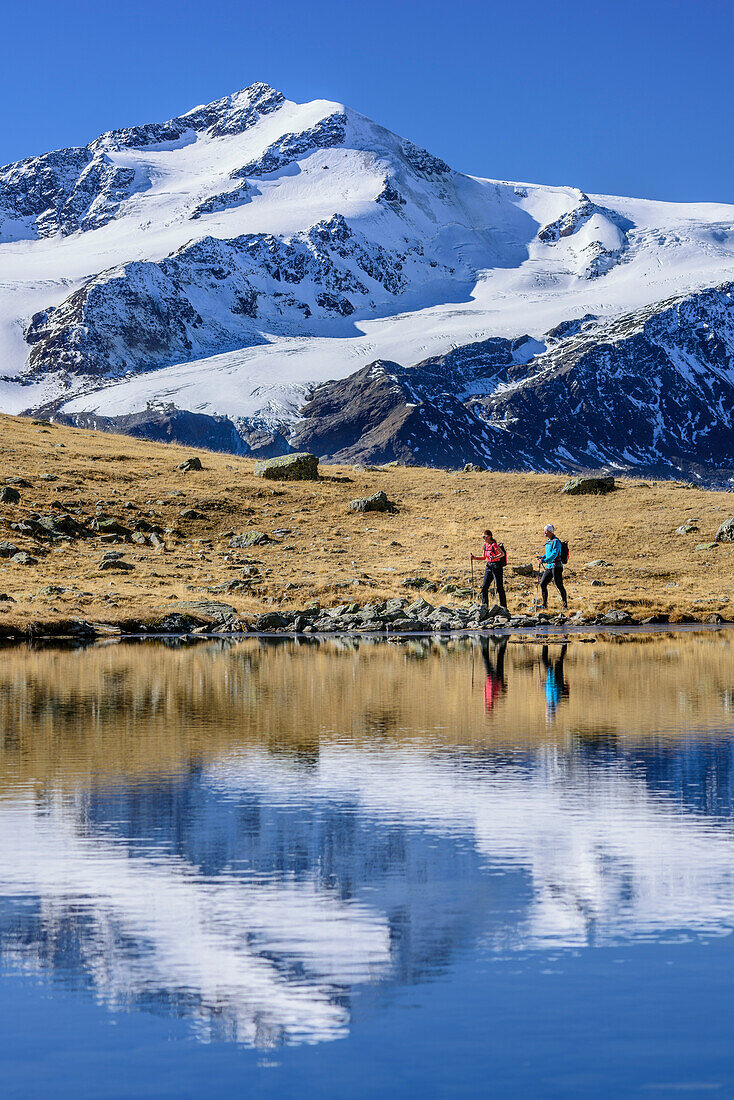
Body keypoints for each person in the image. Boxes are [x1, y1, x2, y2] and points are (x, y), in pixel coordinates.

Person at [471, 529, 507, 609]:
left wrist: (494, 557)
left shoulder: (494, 545)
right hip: (489, 566)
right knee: (484, 587)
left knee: (499, 587)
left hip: (496, 566)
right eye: (482, 537)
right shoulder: (485, 546)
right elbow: (484, 557)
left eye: (485, 536)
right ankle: (485, 607)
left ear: (489, 536)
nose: (483, 538)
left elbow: (502, 554)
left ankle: (504, 607)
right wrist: (474, 558)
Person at [538, 523, 567, 610]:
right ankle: (544, 605)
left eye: (546, 531)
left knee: (559, 585)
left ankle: (565, 605)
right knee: (543, 584)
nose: (544, 533)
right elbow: (548, 553)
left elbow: (554, 554)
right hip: (549, 566)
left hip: (557, 566)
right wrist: (542, 557)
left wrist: (544, 560)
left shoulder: (556, 541)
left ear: (550, 531)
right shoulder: (548, 541)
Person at [480, 635, 507, 713]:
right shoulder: (492, 699)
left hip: (493, 678)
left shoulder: (492, 699)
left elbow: (487, 689)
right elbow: (489, 689)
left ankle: (502, 643)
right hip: (494, 678)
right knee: (496, 658)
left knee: (498, 658)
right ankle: (503, 642)